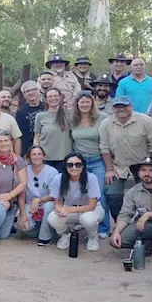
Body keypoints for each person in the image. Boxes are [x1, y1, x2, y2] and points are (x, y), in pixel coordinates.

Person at [99, 96, 152, 220]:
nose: (121, 109)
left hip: (143, 165)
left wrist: (148, 166)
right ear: (113, 108)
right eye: (118, 106)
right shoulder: (106, 124)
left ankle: (147, 223)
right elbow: (104, 148)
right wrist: (109, 169)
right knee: (112, 195)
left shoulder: (146, 121)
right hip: (118, 167)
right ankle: (121, 224)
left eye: (125, 106)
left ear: (131, 106)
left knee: (148, 196)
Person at [69, 90, 111, 238]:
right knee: (81, 194)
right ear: (77, 103)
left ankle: (103, 228)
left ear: (92, 103)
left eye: (88, 101)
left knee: (98, 194)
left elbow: (108, 140)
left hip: (97, 161)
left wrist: (109, 167)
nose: (85, 104)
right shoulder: (72, 120)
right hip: (79, 163)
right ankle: (84, 223)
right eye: (82, 102)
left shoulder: (102, 118)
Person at [46, 153, 105, 252]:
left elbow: (92, 205)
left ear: (83, 166)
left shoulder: (91, 178)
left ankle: (92, 236)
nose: (74, 168)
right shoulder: (58, 179)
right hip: (69, 208)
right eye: (70, 165)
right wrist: (60, 209)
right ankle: (65, 234)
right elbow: (57, 202)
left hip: (91, 210)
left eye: (78, 164)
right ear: (65, 166)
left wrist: (69, 209)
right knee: (52, 218)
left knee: (88, 219)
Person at [17, 146, 59, 246]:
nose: (37, 157)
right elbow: (21, 193)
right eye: (34, 154)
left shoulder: (52, 172)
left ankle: (45, 237)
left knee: (49, 206)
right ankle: (36, 229)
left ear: (44, 156)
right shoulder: (24, 171)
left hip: (46, 202)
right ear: (29, 157)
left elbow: (55, 194)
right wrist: (22, 213)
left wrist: (38, 200)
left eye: (39, 154)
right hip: (29, 203)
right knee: (24, 226)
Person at [34, 88, 71, 169]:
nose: (53, 98)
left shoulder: (68, 114)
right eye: (50, 96)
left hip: (65, 158)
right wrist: (37, 154)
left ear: (60, 97)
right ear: (46, 99)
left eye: (55, 96)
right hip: (46, 159)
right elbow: (37, 137)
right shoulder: (40, 116)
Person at [15, 80, 45, 154]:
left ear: (38, 91)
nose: (31, 93)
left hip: (46, 145)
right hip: (28, 149)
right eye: (27, 91)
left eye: (33, 90)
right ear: (24, 95)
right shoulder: (21, 112)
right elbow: (21, 135)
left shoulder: (46, 108)